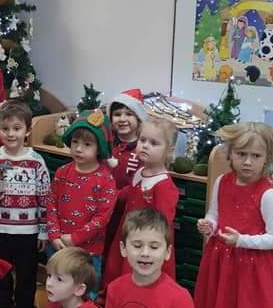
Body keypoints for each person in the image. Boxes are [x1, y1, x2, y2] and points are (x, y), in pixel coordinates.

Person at [195, 122, 273, 308]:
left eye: (256, 156)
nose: (248, 162)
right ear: (230, 154)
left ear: (267, 158)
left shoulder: (268, 194)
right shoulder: (222, 181)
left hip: (253, 269)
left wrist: (242, 240)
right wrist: (209, 225)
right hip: (225, 263)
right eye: (242, 154)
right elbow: (215, 213)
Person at [0, 99, 50, 308]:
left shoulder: (36, 161)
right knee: (1, 273)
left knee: (26, 275)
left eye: (17, 128)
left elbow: (45, 197)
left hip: (27, 230)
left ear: (27, 131)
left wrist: (43, 230)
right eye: (5, 128)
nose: (11, 134)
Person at [103, 117, 179, 288]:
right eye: (142, 140)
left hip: (146, 245)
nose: (145, 146)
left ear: (169, 150)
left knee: (139, 280)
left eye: (154, 143)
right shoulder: (139, 172)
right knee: (119, 272)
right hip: (128, 233)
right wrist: (108, 195)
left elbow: (163, 223)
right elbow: (127, 194)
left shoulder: (164, 185)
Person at [47, 110, 116, 292]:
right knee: (57, 290)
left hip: (88, 252)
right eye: (75, 142)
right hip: (59, 247)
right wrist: (54, 235)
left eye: (87, 144)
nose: (78, 148)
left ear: (99, 148)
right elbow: (51, 203)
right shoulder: (62, 172)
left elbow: (102, 218)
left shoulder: (105, 179)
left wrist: (75, 238)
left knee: (86, 293)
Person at [108, 89, 146, 190]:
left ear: (139, 118)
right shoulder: (106, 143)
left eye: (129, 114)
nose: (122, 119)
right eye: (117, 114)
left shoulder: (144, 148)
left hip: (131, 198)